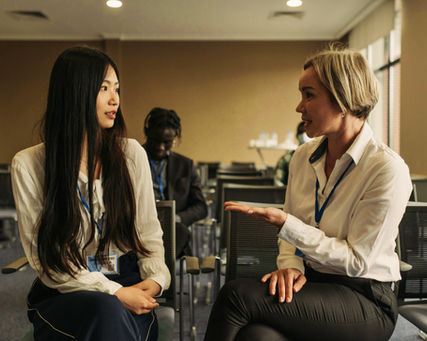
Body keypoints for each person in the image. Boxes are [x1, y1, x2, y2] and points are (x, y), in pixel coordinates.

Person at [204, 46, 412, 341]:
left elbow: (357, 262)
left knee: (236, 296)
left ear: (343, 97)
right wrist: (290, 267)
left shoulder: (386, 169)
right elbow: (290, 239)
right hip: (312, 284)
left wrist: (287, 225)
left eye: (309, 95)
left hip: (365, 297)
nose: (299, 107)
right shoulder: (303, 157)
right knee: (256, 336)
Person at [11, 46, 170, 341]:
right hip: (66, 291)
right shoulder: (29, 165)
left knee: (113, 317)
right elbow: (48, 262)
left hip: (128, 278)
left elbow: (149, 233)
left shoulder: (131, 154)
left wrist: (156, 280)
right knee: (107, 312)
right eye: (104, 88)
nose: (115, 99)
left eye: (117, 88)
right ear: (75, 93)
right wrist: (114, 293)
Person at [143, 107, 208, 258]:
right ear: (147, 133)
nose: (160, 147)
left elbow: (200, 207)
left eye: (167, 142)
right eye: (155, 141)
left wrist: (176, 218)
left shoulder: (185, 165)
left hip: (172, 229)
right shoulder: (130, 160)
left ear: (174, 139)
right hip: (140, 226)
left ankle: (159, 272)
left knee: (179, 231)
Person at [274, 121, 311, 186]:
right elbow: (277, 181)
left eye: (307, 132)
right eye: (301, 132)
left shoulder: (320, 158)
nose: (304, 135)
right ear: (297, 136)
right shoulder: (287, 159)